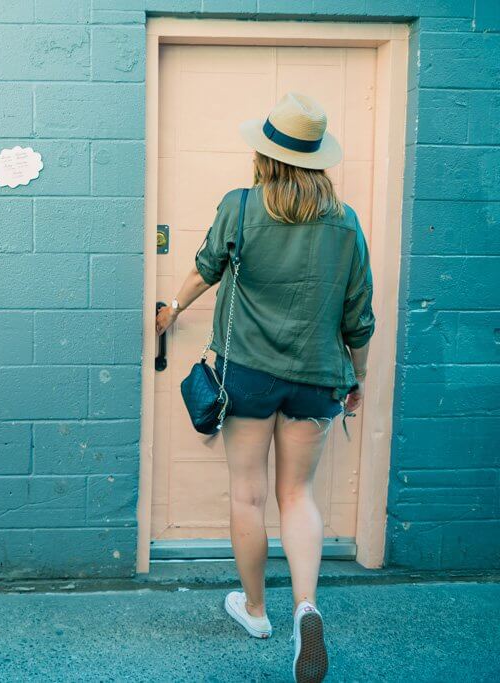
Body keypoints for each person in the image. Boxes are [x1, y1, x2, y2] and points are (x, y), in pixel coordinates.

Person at [155, 92, 374, 683]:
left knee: (248, 495)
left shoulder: (242, 206)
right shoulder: (346, 223)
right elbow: (359, 314)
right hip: (317, 381)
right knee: (297, 495)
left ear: (267, 156)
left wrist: (172, 309)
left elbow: (206, 266)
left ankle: (255, 612)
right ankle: (307, 607)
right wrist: (358, 375)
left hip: (247, 375)